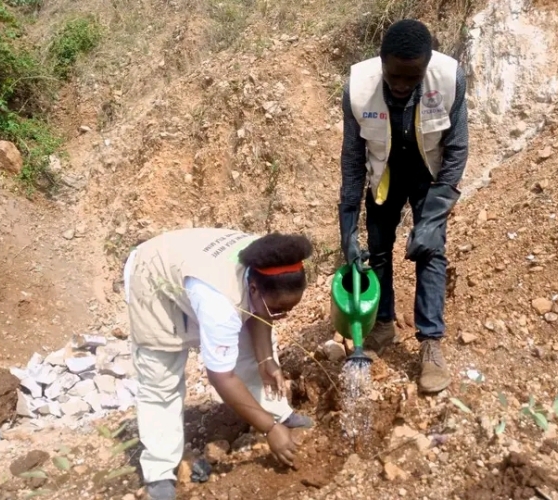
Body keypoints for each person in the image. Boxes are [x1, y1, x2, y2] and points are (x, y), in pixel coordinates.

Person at [124, 227, 315, 500]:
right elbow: (221, 377)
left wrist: (266, 359)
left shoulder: (270, 261)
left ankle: (275, 411)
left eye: (291, 309)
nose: (283, 317)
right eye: (279, 310)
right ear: (252, 288)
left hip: (195, 268)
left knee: (250, 351)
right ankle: (160, 471)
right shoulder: (220, 305)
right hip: (154, 280)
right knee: (161, 379)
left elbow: (262, 314)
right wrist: (270, 431)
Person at [338, 19, 469, 393]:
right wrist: (347, 227)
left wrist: (435, 212)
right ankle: (382, 324)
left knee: (431, 250)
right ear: (382, 61)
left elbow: (457, 147)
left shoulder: (448, 78)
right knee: (377, 250)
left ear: (426, 67)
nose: (400, 84)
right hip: (385, 173)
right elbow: (351, 157)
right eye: (394, 75)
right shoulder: (359, 87)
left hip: (429, 173)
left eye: (411, 78)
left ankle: (430, 343)